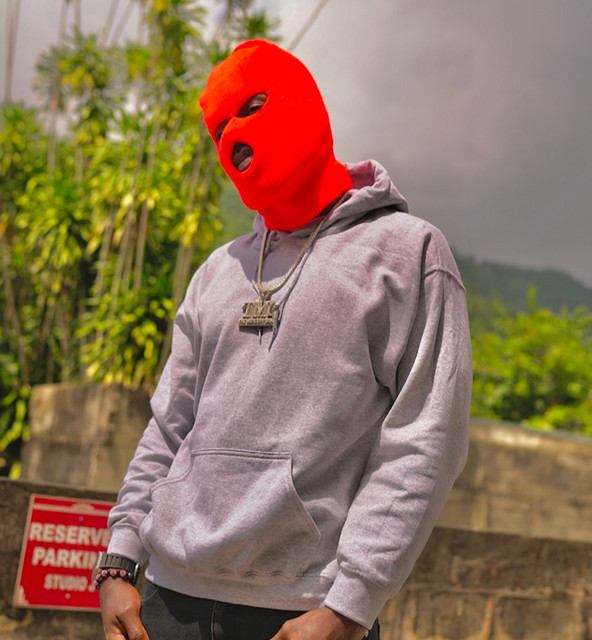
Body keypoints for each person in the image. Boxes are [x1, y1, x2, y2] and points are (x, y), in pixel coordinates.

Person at [97, 39, 472, 640]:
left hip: (302, 611)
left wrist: (349, 607)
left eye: (251, 108)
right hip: (168, 600)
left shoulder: (407, 253)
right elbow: (169, 426)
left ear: (303, 101)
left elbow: (424, 440)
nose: (234, 137)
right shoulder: (217, 272)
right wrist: (119, 560)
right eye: (220, 129)